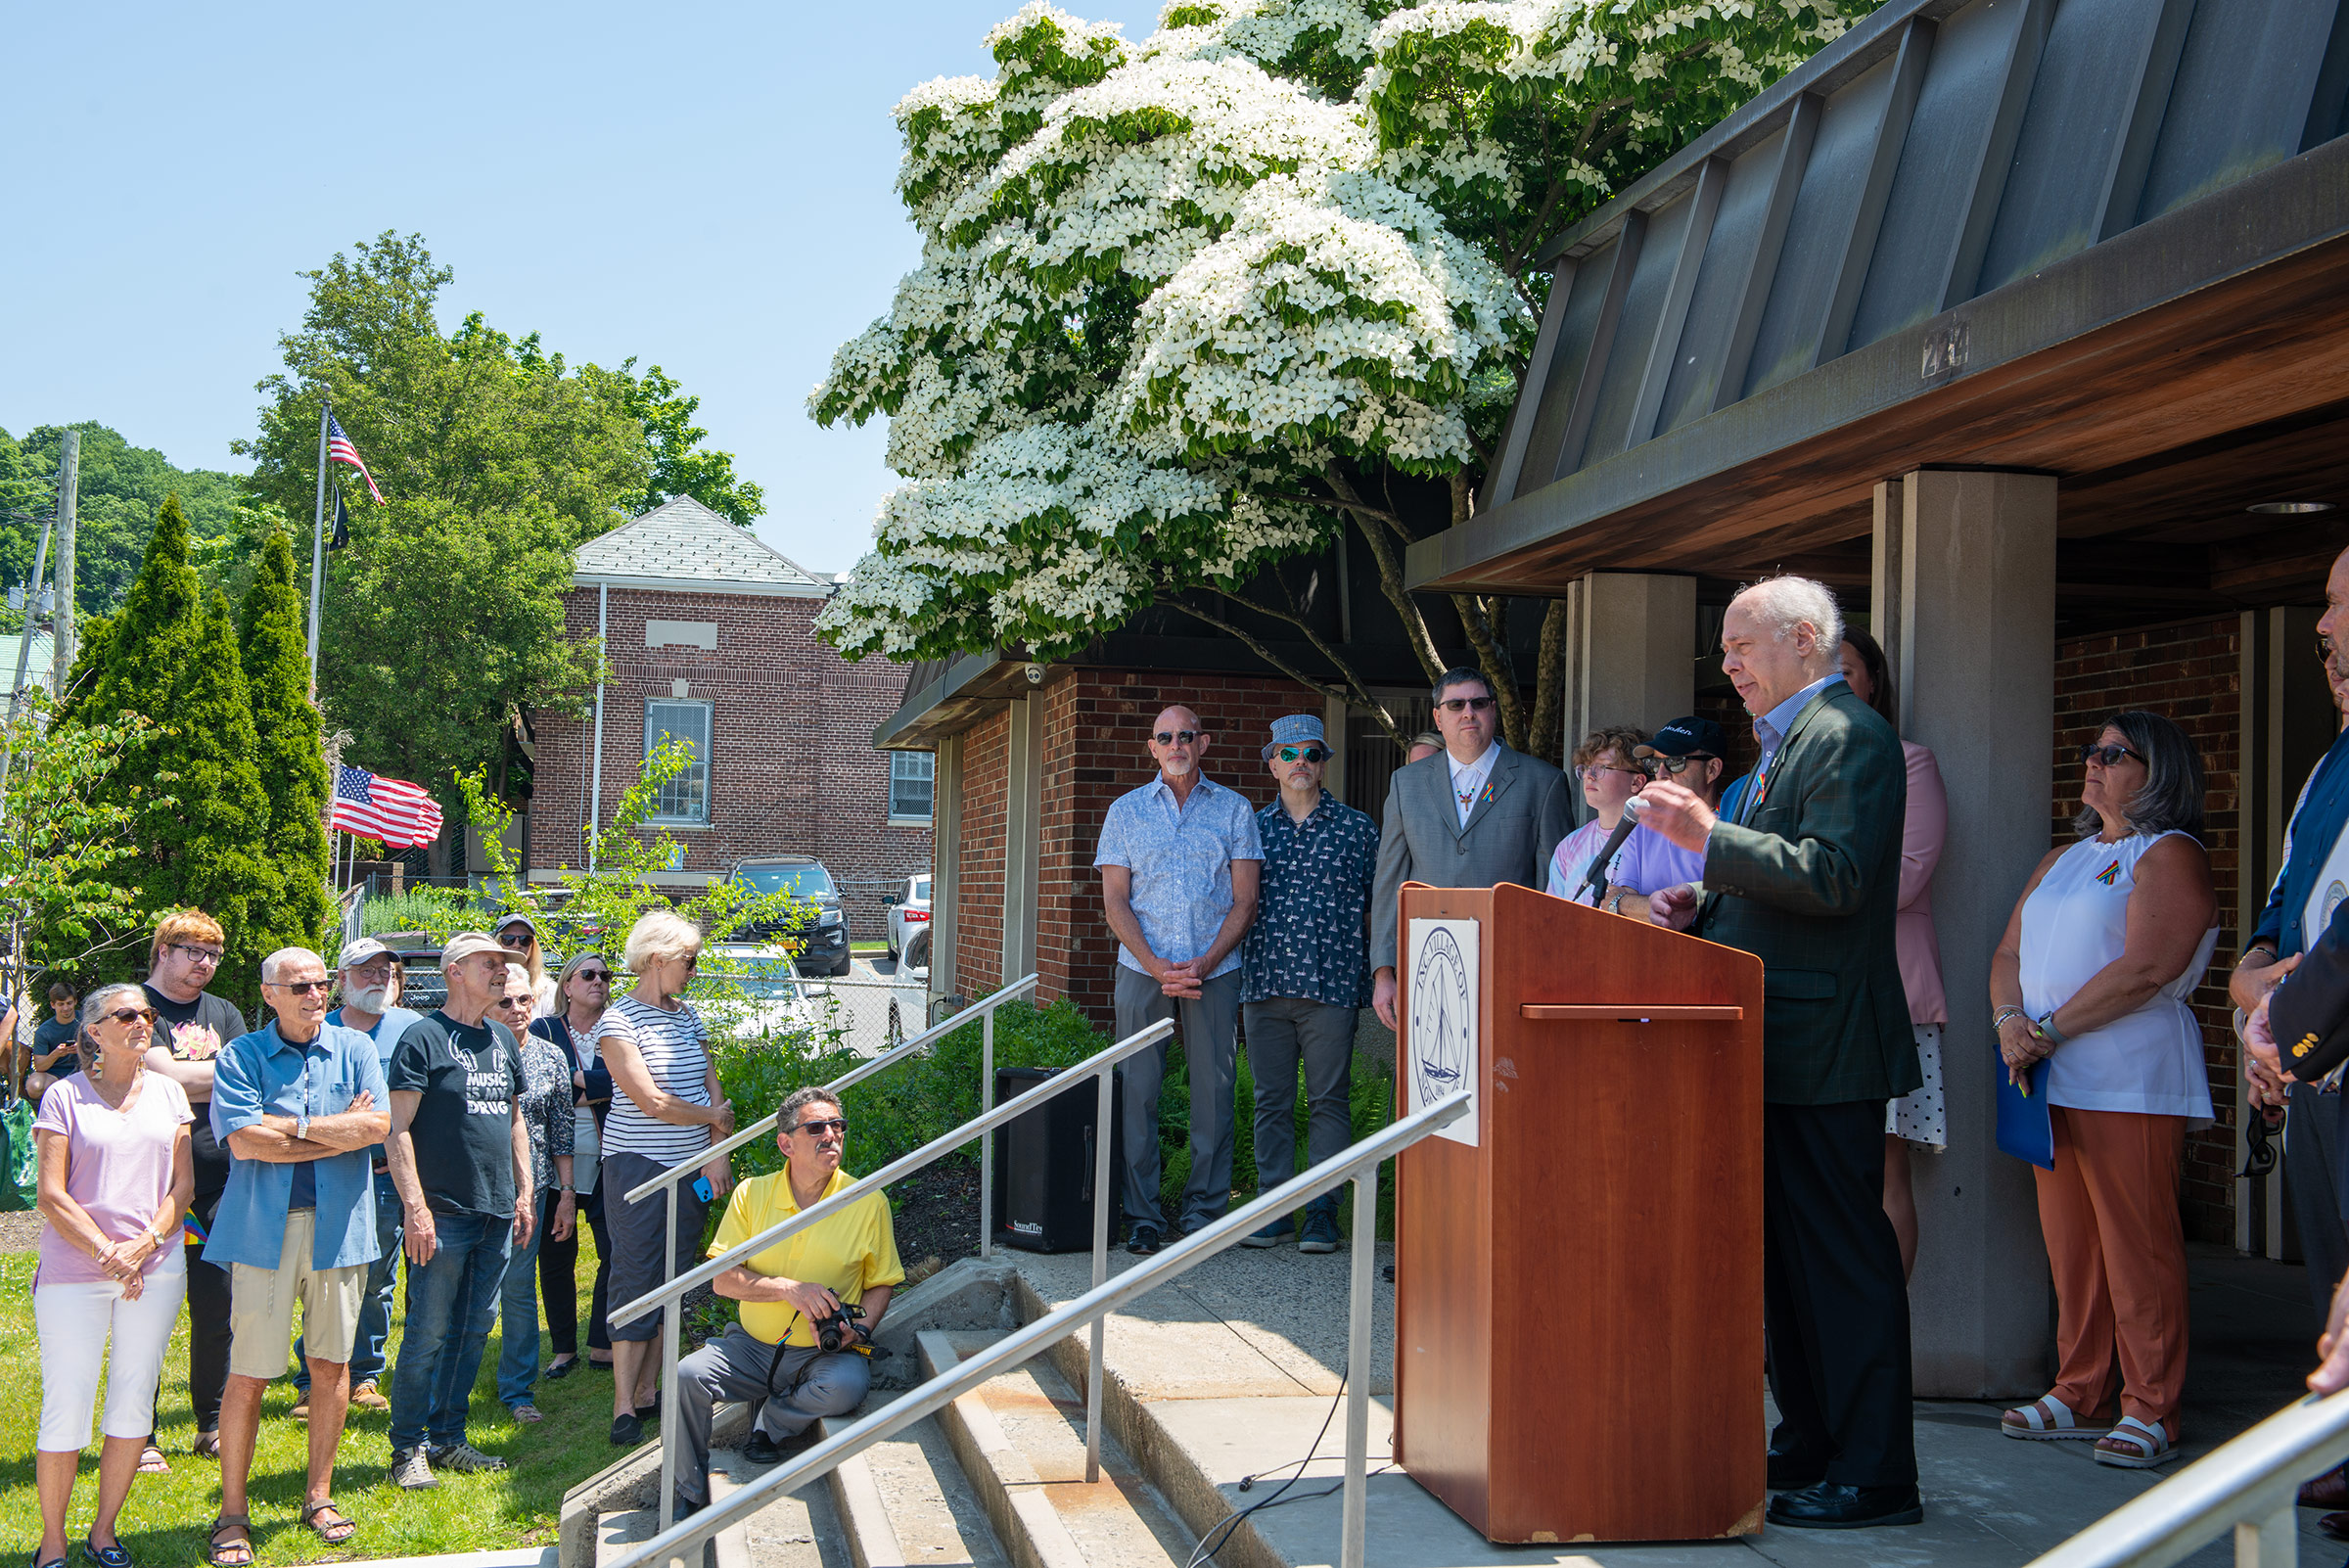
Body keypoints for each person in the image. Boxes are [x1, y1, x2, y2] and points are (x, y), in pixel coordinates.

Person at [1640, 576, 1920, 1530]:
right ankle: (1810, 1445)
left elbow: (1836, 878)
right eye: (1724, 649)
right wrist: (1705, 901)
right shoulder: (1782, 744)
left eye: (1740, 646)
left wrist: (1708, 840)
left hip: (1826, 1042)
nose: (1727, 665)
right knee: (1791, 1270)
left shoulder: (1850, 738)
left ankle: (1876, 1471)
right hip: (1774, 1038)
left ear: (1806, 640)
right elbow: (1774, 874)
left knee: (1841, 1263)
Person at [1989, 712, 2217, 1468]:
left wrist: (2044, 1030)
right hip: (2046, 1073)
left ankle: (2152, 1404)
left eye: (2115, 754)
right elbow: (2010, 949)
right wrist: (2008, 1020)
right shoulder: (2065, 856)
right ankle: (2079, 1386)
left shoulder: (2171, 854)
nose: (2094, 762)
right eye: (2092, 751)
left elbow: (2148, 967)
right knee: (2072, 1244)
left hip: (2131, 1078)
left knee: (2137, 1245)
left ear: (2160, 771)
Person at [205, 947, 392, 1563]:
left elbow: (376, 1127)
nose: (315, 994)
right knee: (250, 1373)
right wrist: (332, 1127)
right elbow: (245, 1141)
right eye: (300, 985)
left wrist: (292, 1129)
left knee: (331, 1366)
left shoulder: (356, 1048)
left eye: (320, 983)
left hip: (340, 1230)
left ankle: (319, 1495)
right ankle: (233, 1513)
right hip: (263, 1229)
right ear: (270, 994)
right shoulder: (242, 1055)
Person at [672, 1087, 902, 1517]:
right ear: (786, 1143)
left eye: (838, 1126)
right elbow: (722, 1280)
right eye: (816, 1127)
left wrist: (862, 1330)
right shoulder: (750, 1194)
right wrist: (787, 1289)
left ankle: (769, 1424)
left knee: (847, 1386)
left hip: (823, 1354)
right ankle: (687, 1491)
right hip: (751, 1348)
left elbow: (882, 1283)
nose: (831, 1135)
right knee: (688, 1374)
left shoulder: (868, 1200)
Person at [32, 983, 193, 1568]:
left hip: (155, 1267)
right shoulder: (63, 1098)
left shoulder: (171, 1094)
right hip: (76, 1269)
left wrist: (146, 1243)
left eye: (147, 1014)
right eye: (126, 1014)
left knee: (132, 1400)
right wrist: (108, 1252)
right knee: (66, 1403)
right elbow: (51, 1193)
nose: (142, 1022)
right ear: (94, 1030)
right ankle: (52, 1542)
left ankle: (104, 1533)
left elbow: (182, 1188)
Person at [1094, 704, 1264, 1256]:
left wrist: (1204, 963)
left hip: (1215, 971)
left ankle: (1205, 1212)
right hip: (1143, 970)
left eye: (1185, 735)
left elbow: (1245, 901)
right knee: (1139, 1090)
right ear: (1151, 747)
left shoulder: (1235, 811)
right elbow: (1115, 901)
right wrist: (1157, 964)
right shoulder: (1125, 812)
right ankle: (1142, 1216)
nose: (1175, 745)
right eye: (1164, 737)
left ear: (1203, 742)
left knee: (1213, 1092)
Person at [2234, 543, 2349, 1330]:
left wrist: (2279, 1031)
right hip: (2316, 1078)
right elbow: (2282, 914)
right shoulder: (2325, 770)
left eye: (2342, 602)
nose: (2324, 626)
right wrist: (2251, 991)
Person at [385, 932, 535, 1489]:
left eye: (505, 965)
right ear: (454, 971)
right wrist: (416, 1208)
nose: (501, 972)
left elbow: (514, 1119)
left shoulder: (501, 1037)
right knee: (428, 1331)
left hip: (497, 1211)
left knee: (475, 1328)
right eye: (490, 964)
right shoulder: (423, 1038)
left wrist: (524, 1193)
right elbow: (397, 1131)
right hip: (443, 1212)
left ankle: (449, 1438)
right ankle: (408, 1447)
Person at [1238, 715, 1378, 1253]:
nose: (1301, 763)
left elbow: (1378, 908)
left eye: (1311, 754)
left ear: (1323, 764)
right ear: (1272, 762)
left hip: (1332, 984)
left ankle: (1322, 1212)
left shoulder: (1357, 828)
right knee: (1271, 1102)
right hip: (1265, 984)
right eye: (1289, 753)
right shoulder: (1250, 828)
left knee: (1328, 1101)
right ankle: (1274, 1211)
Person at [1836, 627, 1950, 1280]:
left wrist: (1805, 891)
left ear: (1873, 682)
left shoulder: (1910, 762)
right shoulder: (1788, 765)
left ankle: (1883, 1326)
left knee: (1883, 1164)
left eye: (1846, 673)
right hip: (1813, 994)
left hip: (1888, 993)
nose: (1834, 688)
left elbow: (1906, 874)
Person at [1371, 668, 1573, 1031]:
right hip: (1425, 962)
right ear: (1438, 715)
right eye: (1456, 704)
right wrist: (1384, 971)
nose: (1468, 712)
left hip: (1510, 964)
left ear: (1493, 710)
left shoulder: (1543, 782)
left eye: (1478, 703)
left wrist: (1549, 968)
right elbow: (1389, 882)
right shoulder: (1407, 783)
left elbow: (1553, 888)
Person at [599, 907, 733, 1446]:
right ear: (658, 959)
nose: (693, 971)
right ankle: (623, 1404)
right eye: (688, 961)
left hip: (692, 1169)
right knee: (636, 1277)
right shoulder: (618, 1023)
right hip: (638, 1168)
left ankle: (652, 1391)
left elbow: (712, 1085)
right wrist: (711, 1120)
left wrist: (717, 1151)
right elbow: (651, 1101)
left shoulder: (688, 1016)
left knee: (674, 1279)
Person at [291, 938, 423, 1418]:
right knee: (323, 1274)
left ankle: (364, 1374)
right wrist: (345, 1124)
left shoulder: (415, 1029)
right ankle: (311, 1381)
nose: (379, 978)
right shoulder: (314, 1029)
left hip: (388, 1174)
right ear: (341, 980)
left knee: (377, 1280)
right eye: (365, 971)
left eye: (386, 970)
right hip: (331, 1173)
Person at [138, 909, 250, 1469]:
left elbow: (243, 1076)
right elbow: (163, 1078)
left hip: (219, 1184)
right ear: (164, 950)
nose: (205, 963)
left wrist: (197, 1076)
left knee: (217, 1307)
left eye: (213, 954)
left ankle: (210, 1422)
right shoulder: (139, 1009)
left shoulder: (223, 1012)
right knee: (149, 1312)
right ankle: (141, 1431)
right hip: (154, 1189)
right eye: (193, 951)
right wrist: (215, 1076)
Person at [495, 962, 576, 1423]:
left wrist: (566, 1193)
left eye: (524, 1000)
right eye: (505, 1001)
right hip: (477, 1188)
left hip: (535, 1188)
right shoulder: (476, 1050)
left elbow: (562, 1131)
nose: (517, 1009)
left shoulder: (550, 1055)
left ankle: (517, 1391)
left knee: (519, 1287)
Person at [530, 949, 616, 1376]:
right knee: (556, 1256)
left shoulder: (619, 1031)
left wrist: (582, 1082)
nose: (598, 980)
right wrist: (597, 1084)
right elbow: (540, 1089)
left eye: (605, 974)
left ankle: (602, 1341)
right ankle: (563, 1348)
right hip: (555, 1162)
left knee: (614, 1253)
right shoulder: (542, 1029)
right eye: (588, 974)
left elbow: (627, 1088)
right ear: (567, 985)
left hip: (608, 1161)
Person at [1600, 716, 1727, 918]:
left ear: (1712, 769)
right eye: (1654, 763)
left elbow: (1726, 909)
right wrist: (1656, 908)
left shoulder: (1733, 828)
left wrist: (1632, 905)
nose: (1661, 773)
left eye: (1675, 762)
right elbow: (1611, 899)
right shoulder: (1643, 826)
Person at [1543, 726, 1648, 901]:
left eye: (1602, 768)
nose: (1589, 776)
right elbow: (1554, 916)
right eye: (1586, 768)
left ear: (1636, 782)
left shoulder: (1659, 843)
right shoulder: (1569, 846)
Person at [496, 913, 562, 1017]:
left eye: (524, 940)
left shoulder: (549, 991)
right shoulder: (485, 987)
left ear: (533, 946)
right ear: (498, 943)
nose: (517, 945)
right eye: (508, 939)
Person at [27, 982, 79, 1100]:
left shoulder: (86, 1022)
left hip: (84, 1070)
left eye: (69, 1003)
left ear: (75, 1002)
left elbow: (101, 1050)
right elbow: (39, 1066)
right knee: (34, 1086)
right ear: (52, 1005)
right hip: (54, 1074)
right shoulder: (44, 1031)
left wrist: (83, 1049)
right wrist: (56, 1054)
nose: (66, 1008)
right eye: (61, 1004)